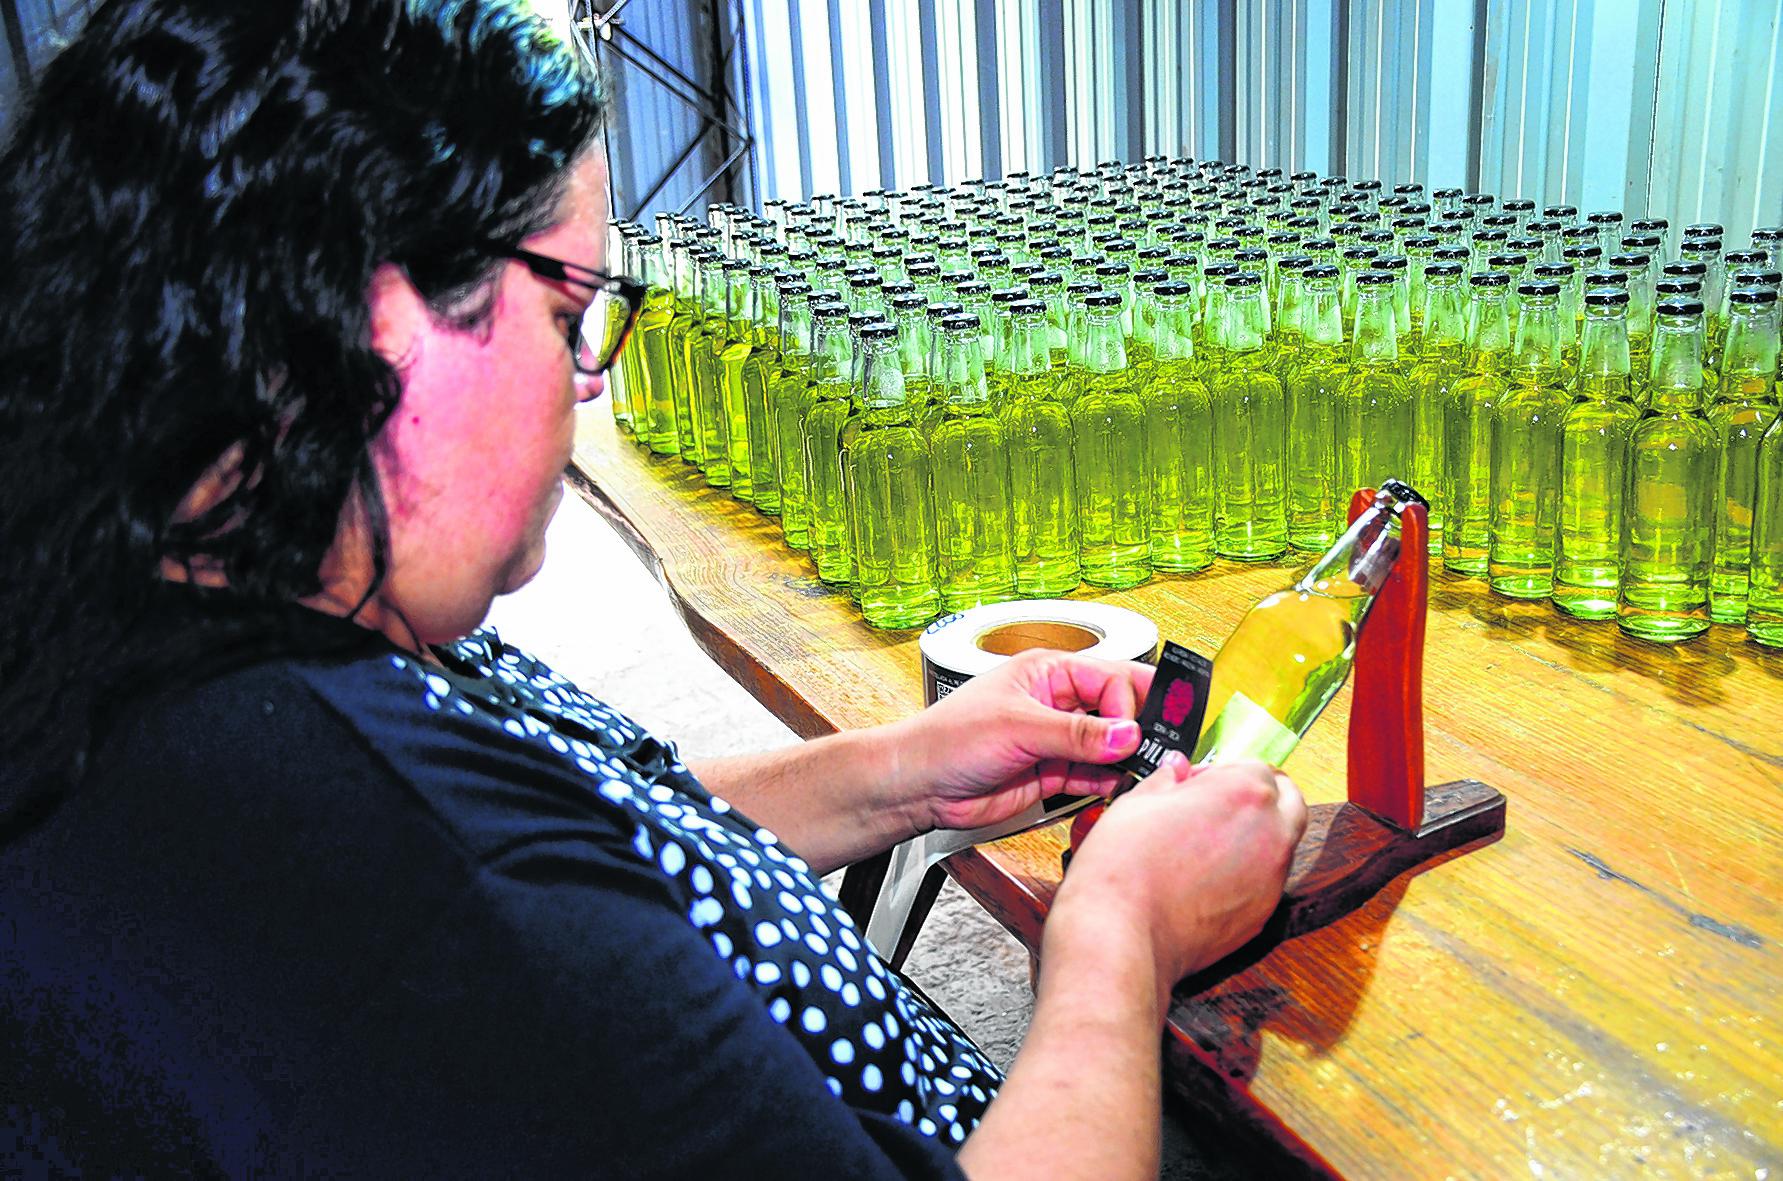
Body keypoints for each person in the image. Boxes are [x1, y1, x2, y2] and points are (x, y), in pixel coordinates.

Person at [0, 1, 1307, 1177]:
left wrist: (901, 774)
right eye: (568, 315)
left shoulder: (194, 608)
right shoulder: (422, 890)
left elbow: (597, 819)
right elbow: (514, 872)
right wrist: (1117, 934)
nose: (589, 383)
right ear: (377, 314)